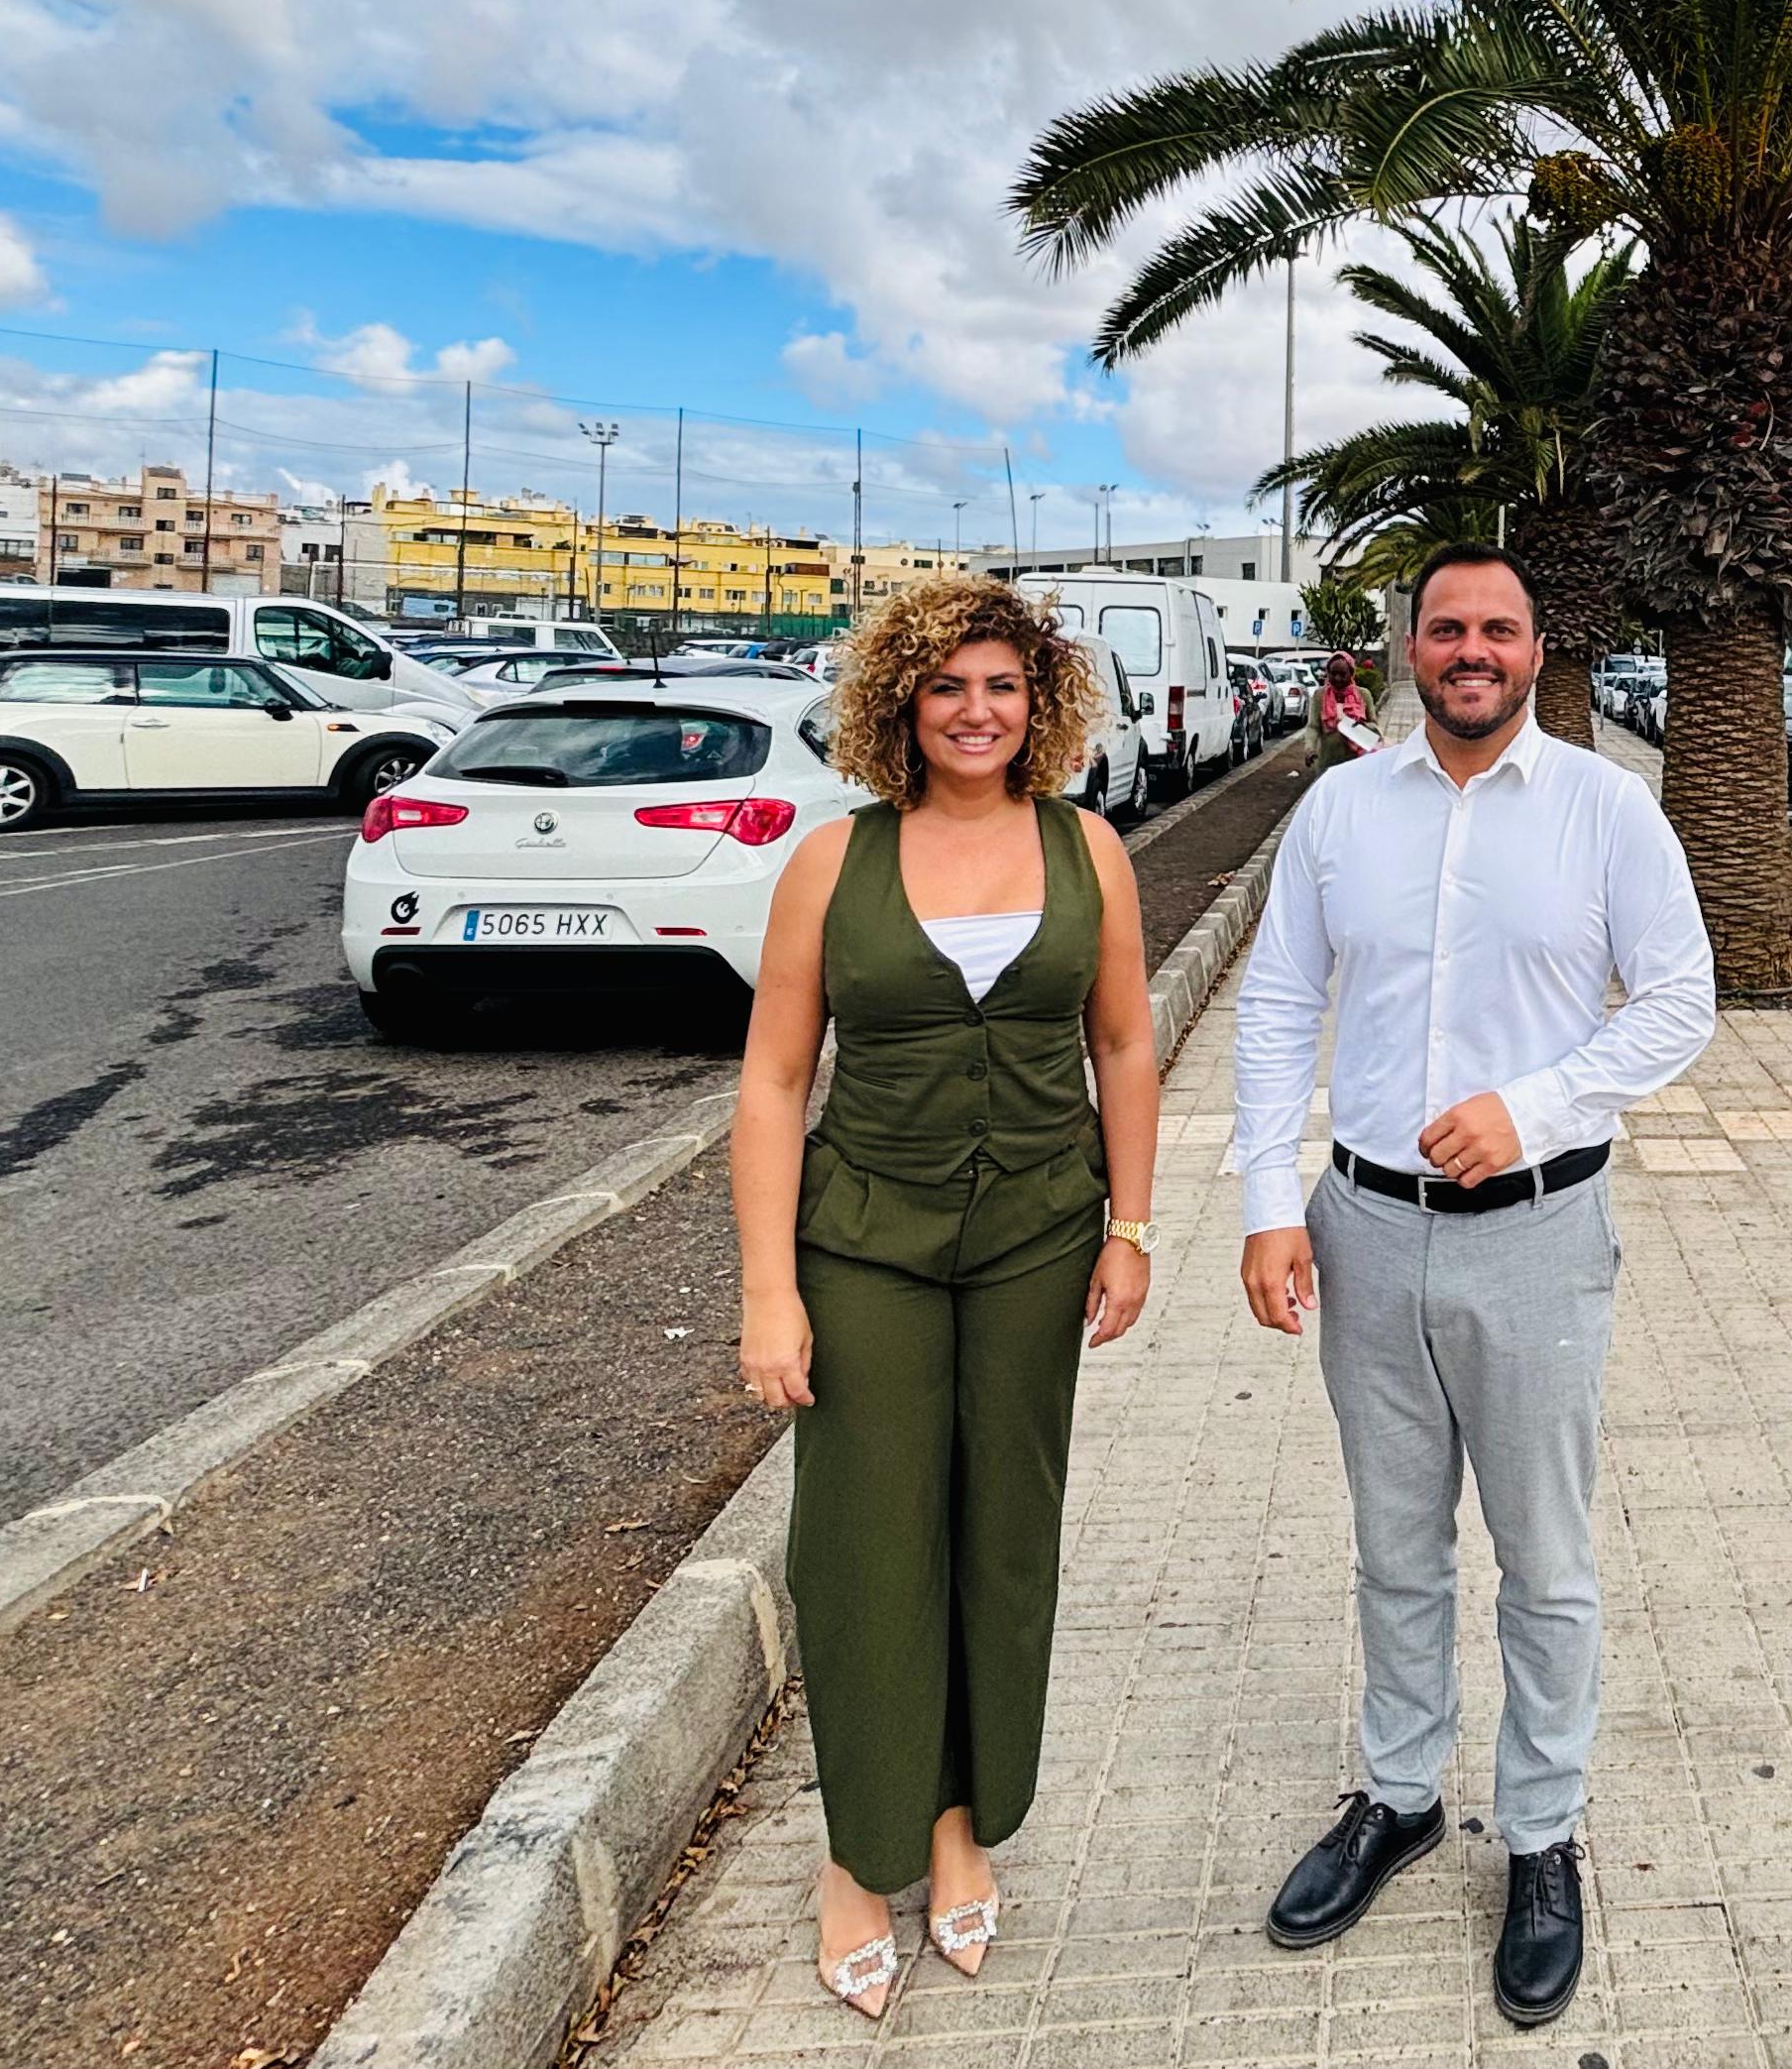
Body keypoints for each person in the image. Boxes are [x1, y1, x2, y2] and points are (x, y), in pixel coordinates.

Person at [1232, 543, 1714, 2028]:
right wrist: (1269, 1201)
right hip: (1364, 1224)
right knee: (1395, 1543)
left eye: (1497, 627)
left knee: (1547, 1560)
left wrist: (1540, 1102)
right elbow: (1271, 999)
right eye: (1446, 626)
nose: (1471, 648)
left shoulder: (1604, 806)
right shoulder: (1339, 807)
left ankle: (1544, 1831)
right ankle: (1397, 1794)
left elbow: (1682, 999)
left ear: (1534, 644)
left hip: (1538, 1231)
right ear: (1413, 644)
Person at [728, 575, 1162, 2018]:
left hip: (1041, 1240)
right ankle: (860, 1851)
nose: (978, 712)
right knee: (862, 1545)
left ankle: (961, 1823)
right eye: (949, 687)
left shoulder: (1086, 844)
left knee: (1001, 1537)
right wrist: (769, 1290)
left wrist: (1134, 1227)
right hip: (866, 1246)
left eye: (1005, 687)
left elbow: (1124, 1047)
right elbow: (777, 1080)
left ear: (1038, 704)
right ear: (901, 704)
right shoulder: (832, 862)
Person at [1308, 648, 1375, 762]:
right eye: (1333, 673)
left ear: (1351, 673)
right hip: (1327, 761)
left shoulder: (1363, 695)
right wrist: (1309, 749)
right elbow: (1313, 726)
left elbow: (1374, 724)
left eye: (1342, 674)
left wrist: (1362, 726)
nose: (1337, 678)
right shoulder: (1320, 695)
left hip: (1357, 761)